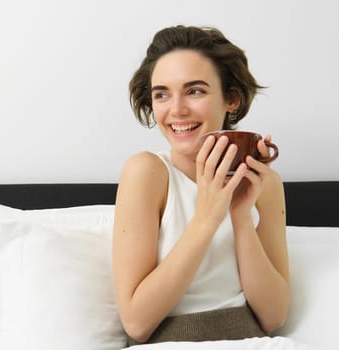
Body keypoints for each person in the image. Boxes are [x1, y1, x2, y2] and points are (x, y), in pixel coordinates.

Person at [112, 25, 290, 345]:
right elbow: (136, 323)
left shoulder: (266, 182)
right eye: (162, 94)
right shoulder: (147, 173)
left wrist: (240, 215)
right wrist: (207, 217)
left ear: (231, 99)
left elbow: (274, 316)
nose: (176, 110)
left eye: (195, 91)